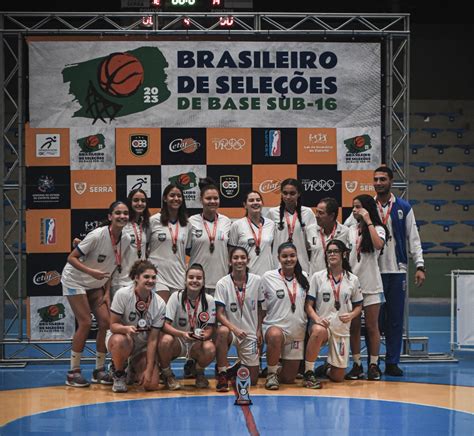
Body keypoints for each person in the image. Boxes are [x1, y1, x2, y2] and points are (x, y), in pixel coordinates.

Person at [61, 201, 130, 387]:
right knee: (84, 322)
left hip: (96, 284)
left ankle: (99, 370)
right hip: (74, 279)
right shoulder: (97, 235)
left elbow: (111, 267)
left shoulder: (126, 240)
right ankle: (73, 372)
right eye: (118, 213)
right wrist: (91, 272)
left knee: (106, 323)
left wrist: (107, 292)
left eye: (125, 213)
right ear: (110, 217)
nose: (122, 216)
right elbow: (71, 258)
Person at [373, 166, 426, 376]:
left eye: (382, 179)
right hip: (373, 272)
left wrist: (419, 265)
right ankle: (372, 362)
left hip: (397, 271)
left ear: (391, 181)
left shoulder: (404, 207)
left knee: (395, 320)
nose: (378, 183)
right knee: (374, 321)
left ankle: (392, 362)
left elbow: (414, 238)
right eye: (376, 179)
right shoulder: (367, 206)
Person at [303, 240, 362, 389]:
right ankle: (308, 372)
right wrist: (317, 319)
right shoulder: (318, 277)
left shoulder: (352, 279)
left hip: (341, 329)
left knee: (338, 377)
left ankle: (326, 369)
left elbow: (358, 306)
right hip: (324, 325)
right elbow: (308, 305)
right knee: (317, 331)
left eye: (335, 251)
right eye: (329, 252)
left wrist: (351, 315)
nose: (332, 254)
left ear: (343, 254)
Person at [106, 260, 166, 393]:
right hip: (123, 339)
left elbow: (153, 339)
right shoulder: (123, 294)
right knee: (119, 340)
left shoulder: (160, 303)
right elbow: (113, 326)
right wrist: (125, 329)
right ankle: (119, 373)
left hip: (142, 346)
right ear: (136, 278)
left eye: (153, 277)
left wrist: (149, 369)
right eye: (146, 277)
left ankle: (132, 368)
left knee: (151, 385)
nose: (150, 280)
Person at [345, 194, 387, 381]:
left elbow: (378, 245)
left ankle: (374, 364)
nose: (355, 211)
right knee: (353, 327)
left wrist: (369, 221)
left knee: (372, 326)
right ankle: (356, 364)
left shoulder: (378, 228)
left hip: (371, 284)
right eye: (353, 207)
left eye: (358, 207)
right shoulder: (350, 230)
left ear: (368, 209)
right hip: (353, 285)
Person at [158, 264, 216, 390]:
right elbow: (164, 325)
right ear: (185, 280)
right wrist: (181, 334)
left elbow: (210, 328)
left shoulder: (209, 300)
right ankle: (168, 375)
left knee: (210, 348)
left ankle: (199, 372)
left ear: (203, 281)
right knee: (165, 340)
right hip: (179, 341)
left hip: (197, 343)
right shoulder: (176, 296)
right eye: (191, 277)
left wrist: (203, 336)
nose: (195, 281)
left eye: (198, 278)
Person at [261, 242, 309, 390]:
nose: (289, 259)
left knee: (289, 379)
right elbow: (261, 306)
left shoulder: (304, 277)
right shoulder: (268, 277)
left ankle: (277, 367)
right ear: (278, 258)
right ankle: (271, 373)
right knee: (275, 335)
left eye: (292, 255)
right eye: (285, 256)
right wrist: (257, 328)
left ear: (297, 257)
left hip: (296, 332)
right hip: (275, 328)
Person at [214, 247, 264, 391]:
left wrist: (259, 330)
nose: (239, 261)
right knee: (222, 331)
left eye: (243, 257)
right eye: (235, 258)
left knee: (253, 380)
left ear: (248, 260)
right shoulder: (222, 283)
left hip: (249, 333)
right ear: (230, 261)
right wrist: (234, 329)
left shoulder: (257, 281)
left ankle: (235, 367)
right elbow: (219, 314)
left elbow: (261, 309)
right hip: (231, 331)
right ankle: (223, 373)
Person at [149, 184, 192, 302]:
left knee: (176, 315)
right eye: (172, 195)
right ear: (164, 198)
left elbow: (186, 249)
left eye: (179, 196)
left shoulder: (187, 223)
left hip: (178, 273)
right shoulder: (154, 220)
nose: (176, 198)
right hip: (158, 273)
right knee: (162, 310)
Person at [188, 178, 231, 296]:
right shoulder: (191, 222)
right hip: (197, 282)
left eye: (215, 198)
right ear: (201, 200)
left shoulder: (226, 221)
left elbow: (229, 250)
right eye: (208, 198)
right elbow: (186, 250)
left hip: (221, 281)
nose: (212, 201)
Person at [267, 178, 316, 273]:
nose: (288, 197)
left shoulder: (307, 213)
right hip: (278, 264)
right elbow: (268, 242)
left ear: (299, 194)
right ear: (281, 193)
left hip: (302, 264)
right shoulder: (272, 213)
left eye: (292, 193)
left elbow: (312, 243)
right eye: (285, 193)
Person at [110, 188, 151, 297]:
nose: (140, 203)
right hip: (120, 281)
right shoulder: (121, 222)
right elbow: (104, 234)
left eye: (143, 201)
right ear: (130, 202)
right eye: (136, 200)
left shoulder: (145, 224)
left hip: (139, 281)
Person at [229, 191, 275, 277]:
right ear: (245, 205)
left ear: (262, 203)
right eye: (251, 200)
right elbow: (231, 253)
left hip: (267, 275)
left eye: (258, 200)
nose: (255, 202)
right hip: (246, 276)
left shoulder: (271, 224)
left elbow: (274, 250)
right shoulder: (237, 225)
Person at [306, 197, 350, 277]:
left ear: (332, 216)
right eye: (316, 212)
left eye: (321, 213)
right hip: (316, 281)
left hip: (338, 281)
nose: (316, 216)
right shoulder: (310, 230)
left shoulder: (345, 232)